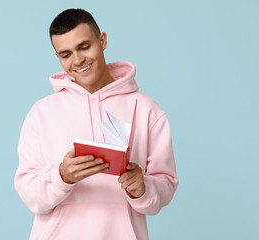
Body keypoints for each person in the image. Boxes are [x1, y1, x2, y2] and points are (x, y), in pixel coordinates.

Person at [14, 8, 178, 240]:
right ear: (58, 57)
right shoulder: (41, 113)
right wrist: (61, 176)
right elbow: (30, 195)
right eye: (66, 54)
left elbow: (166, 186)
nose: (78, 60)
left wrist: (143, 188)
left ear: (102, 40)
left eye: (84, 46)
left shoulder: (146, 110)